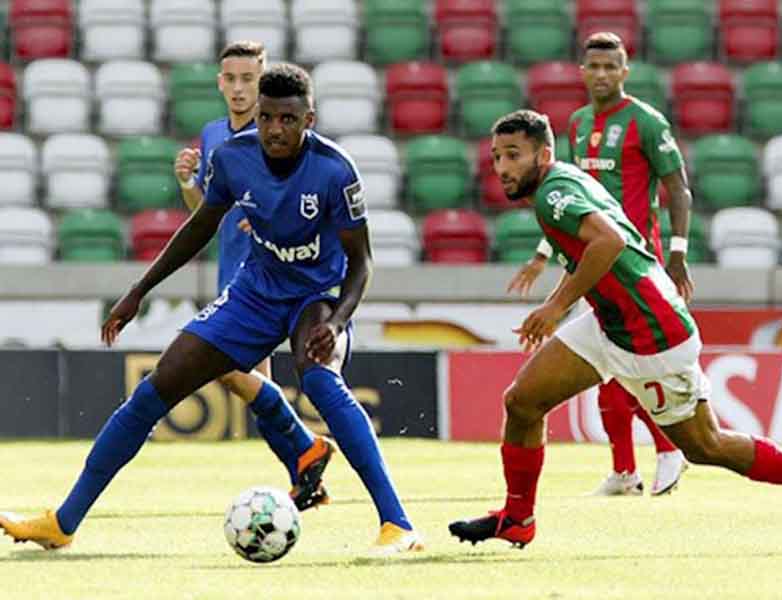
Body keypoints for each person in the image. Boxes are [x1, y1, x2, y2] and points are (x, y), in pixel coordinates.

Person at [0, 63, 422, 556]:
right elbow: (200, 226)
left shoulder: (335, 170)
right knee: (158, 385)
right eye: (266, 118)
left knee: (319, 379)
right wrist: (140, 289)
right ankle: (63, 522)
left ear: (309, 119)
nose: (273, 130)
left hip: (318, 294)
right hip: (256, 291)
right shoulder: (233, 157)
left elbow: (362, 261)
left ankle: (398, 524)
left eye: (287, 120)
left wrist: (337, 319)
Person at [449, 109, 782, 548]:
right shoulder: (565, 180)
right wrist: (555, 303)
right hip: (612, 321)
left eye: (514, 155)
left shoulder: (552, 196)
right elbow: (588, 252)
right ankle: (517, 517)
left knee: (705, 446)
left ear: (544, 154)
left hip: (651, 333)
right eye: (497, 157)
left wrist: (557, 306)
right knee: (522, 402)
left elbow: (609, 242)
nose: (502, 168)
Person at [507, 32, 692, 496]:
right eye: (595, 66)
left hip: (630, 257)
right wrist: (544, 254)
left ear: (625, 71)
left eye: (613, 67)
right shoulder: (576, 124)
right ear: (582, 72)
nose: (603, 74)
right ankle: (627, 469)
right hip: (589, 257)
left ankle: (667, 450)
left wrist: (678, 253)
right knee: (609, 363)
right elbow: (567, 199)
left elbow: (678, 189)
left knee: (623, 361)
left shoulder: (646, 122)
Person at [173, 40, 328, 506]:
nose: (239, 88)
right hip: (236, 276)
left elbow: (309, 197)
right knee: (247, 381)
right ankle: (308, 471)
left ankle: (308, 453)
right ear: (220, 83)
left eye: (249, 79)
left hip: (282, 275)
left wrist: (270, 216)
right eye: (231, 79)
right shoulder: (214, 134)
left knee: (243, 376)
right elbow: (207, 214)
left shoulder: (282, 135)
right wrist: (186, 183)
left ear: (263, 82)